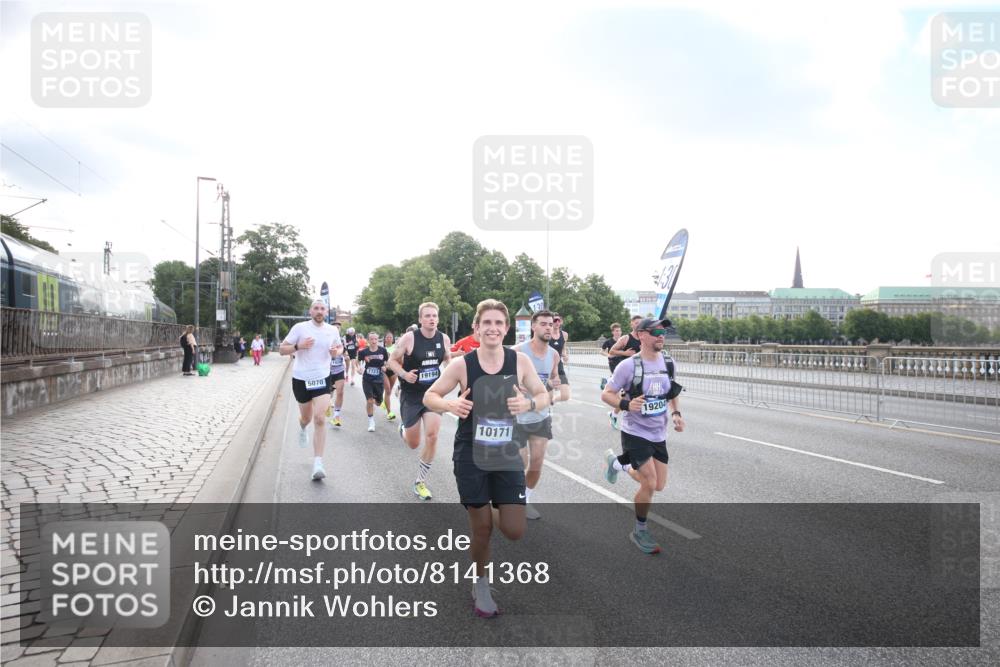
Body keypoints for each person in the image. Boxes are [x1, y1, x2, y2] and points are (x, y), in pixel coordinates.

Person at [423, 299, 549, 617]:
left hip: (507, 454)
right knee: (481, 530)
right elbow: (430, 395)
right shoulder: (463, 365)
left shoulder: (518, 361)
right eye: (486, 323)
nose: (493, 328)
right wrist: (450, 406)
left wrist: (529, 405)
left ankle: (497, 509)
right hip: (471, 454)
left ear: (506, 329)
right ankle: (480, 582)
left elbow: (543, 393)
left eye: (498, 323)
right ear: (477, 329)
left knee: (514, 529)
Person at [600, 318, 685, 555]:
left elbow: (672, 391)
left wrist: (676, 413)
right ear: (641, 335)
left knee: (659, 485)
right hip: (634, 431)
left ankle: (617, 464)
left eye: (663, 331)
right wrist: (626, 404)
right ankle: (640, 530)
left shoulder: (668, 361)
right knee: (648, 482)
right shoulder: (628, 366)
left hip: (659, 431)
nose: (661, 335)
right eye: (656, 331)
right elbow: (607, 395)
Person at [386, 303, 452, 500]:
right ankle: (404, 429)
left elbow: (448, 359)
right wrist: (405, 374)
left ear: (438, 319)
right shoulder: (409, 338)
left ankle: (420, 482)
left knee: (432, 436)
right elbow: (392, 361)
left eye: (435, 316)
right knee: (413, 443)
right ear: (420, 319)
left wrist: (449, 374)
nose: (432, 319)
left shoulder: (444, 338)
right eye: (428, 316)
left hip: (433, 394)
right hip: (412, 395)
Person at [280, 299, 343, 481]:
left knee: (320, 418)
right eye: (316, 308)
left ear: (327, 312)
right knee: (307, 418)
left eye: (322, 308)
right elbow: (282, 349)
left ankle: (318, 463)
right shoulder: (300, 328)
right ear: (310, 311)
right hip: (301, 379)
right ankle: (302, 427)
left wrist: (336, 353)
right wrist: (299, 346)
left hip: (322, 378)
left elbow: (339, 347)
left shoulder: (332, 330)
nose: (319, 311)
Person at [512, 310, 561, 521]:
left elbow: (552, 380)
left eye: (551, 324)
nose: (548, 327)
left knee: (537, 464)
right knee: (519, 463)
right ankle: (508, 497)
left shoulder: (554, 355)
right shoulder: (517, 352)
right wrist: (515, 386)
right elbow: (502, 379)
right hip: (516, 418)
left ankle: (524, 500)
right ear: (534, 326)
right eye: (543, 324)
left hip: (541, 416)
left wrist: (554, 386)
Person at [358, 332, 389, 432]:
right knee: (370, 400)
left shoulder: (383, 351)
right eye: (372, 339)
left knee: (378, 403)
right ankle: (371, 421)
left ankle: (375, 402)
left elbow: (387, 362)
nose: (374, 341)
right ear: (368, 340)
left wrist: (385, 366)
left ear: (378, 340)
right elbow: (357, 361)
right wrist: (359, 368)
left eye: (376, 339)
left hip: (379, 379)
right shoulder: (364, 352)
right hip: (367, 379)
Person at [327, 323, 347, 427]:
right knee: (327, 393)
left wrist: (346, 371)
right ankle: (326, 404)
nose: (337, 329)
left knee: (340, 392)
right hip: (327, 371)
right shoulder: (326, 339)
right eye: (335, 328)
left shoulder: (343, 340)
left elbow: (345, 353)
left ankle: (336, 416)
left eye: (338, 328)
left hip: (339, 369)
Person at [548, 313, 571, 403]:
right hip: (547, 365)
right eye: (555, 320)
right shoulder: (547, 334)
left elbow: (563, 349)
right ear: (551, 322)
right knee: (548, 394)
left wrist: (565, 355)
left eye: (559, 320)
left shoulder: (564, 335)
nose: (557, 322)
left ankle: (553, 400)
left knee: (565, 396)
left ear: (561, 322)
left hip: (559, 365)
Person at [381, 331, 398, 421]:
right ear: (384, 339)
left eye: (390, 337)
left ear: (393, 339)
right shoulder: (382, 349)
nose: (388, 339)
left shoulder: (396, 348)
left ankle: (385, 401)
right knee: (387, 390)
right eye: (387, 337)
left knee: (389, 391)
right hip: (384, 371)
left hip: (393, 371)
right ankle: (389, 412)